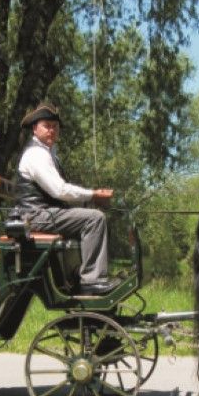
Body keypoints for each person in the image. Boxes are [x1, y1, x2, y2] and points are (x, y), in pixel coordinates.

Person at [15, 101, 116, 295]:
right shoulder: (36, 154)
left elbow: (61, 195)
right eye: (47, 126)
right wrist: (93, 195)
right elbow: (59, 191)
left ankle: (80, 276)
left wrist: (90, 199)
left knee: (92, 215)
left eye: (55, 127)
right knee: (94, 219)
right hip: (37, 216)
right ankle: (91, 281)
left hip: (44, 214)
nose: (52, 130)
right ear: (35, 129)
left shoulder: (49, 154)